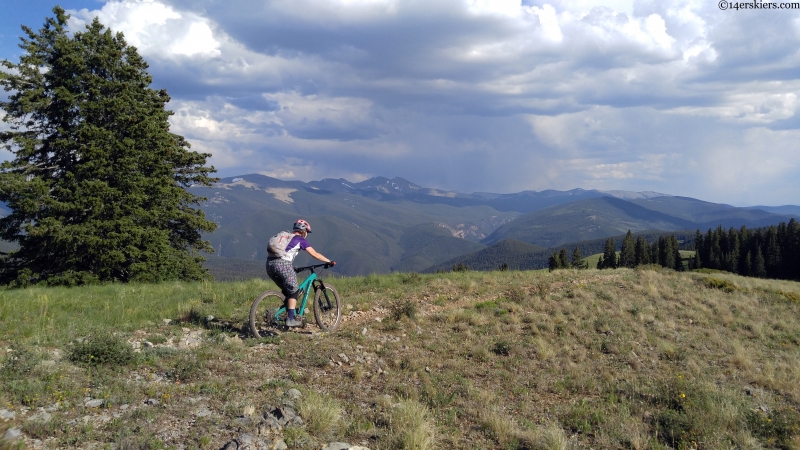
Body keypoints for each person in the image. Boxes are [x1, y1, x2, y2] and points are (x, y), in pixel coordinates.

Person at [266, 219, 335, 327]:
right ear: (304, 231)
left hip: (270, 265)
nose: (307, 234)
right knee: (295, 291)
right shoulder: (300, 240)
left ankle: (278, 313)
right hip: (283, 265)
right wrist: (329, 261)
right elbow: (315, 254)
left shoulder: (287, 237)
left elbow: (284, 254)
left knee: (288, 291)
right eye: (307, 232)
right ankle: (290, 319)